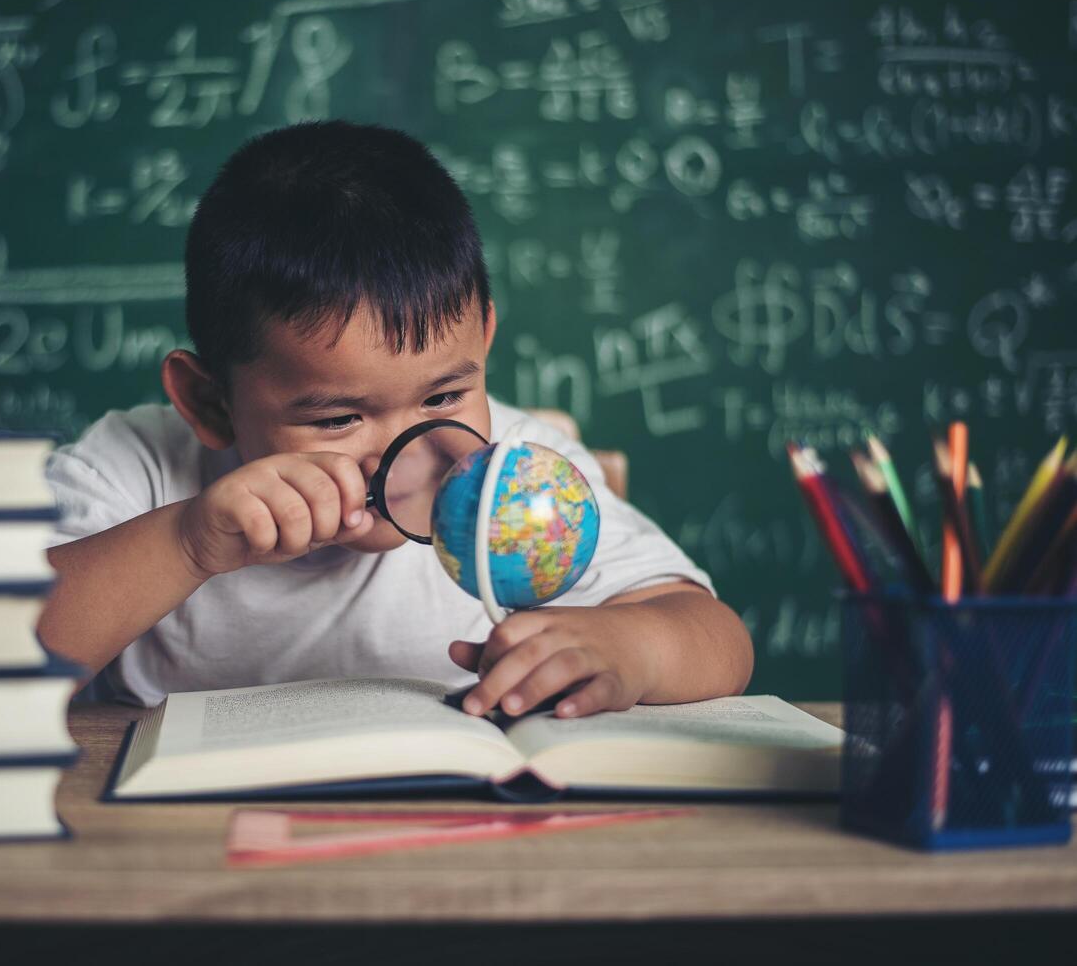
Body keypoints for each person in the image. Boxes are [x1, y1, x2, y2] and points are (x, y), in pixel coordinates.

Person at [39, 120, 752, 719]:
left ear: (483, 346)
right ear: (208, 403)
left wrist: (630, 648)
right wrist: (186, 544)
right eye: (339, 418)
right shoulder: (134, 468)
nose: (405, 455)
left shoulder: (523, 481)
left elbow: (716, 639)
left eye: (443, 399)